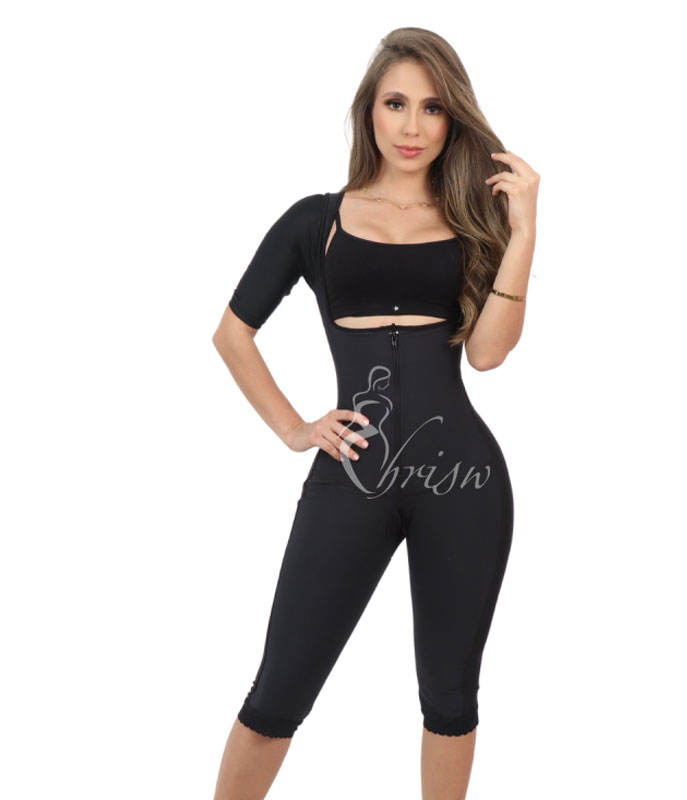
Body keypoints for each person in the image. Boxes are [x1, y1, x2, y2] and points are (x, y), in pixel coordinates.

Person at [211, 26, 539, 800]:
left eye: (432, 108)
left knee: (449, 700)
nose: (413, 126)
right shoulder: (315, 221)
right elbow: (232, 333)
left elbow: (488, 353)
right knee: (278, 692)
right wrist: (296, 429)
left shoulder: (473, 222)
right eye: (396, 104)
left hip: (463, 481)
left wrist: (524, 231)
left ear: (452, 120)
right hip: (351, 477)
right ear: (369, 111)